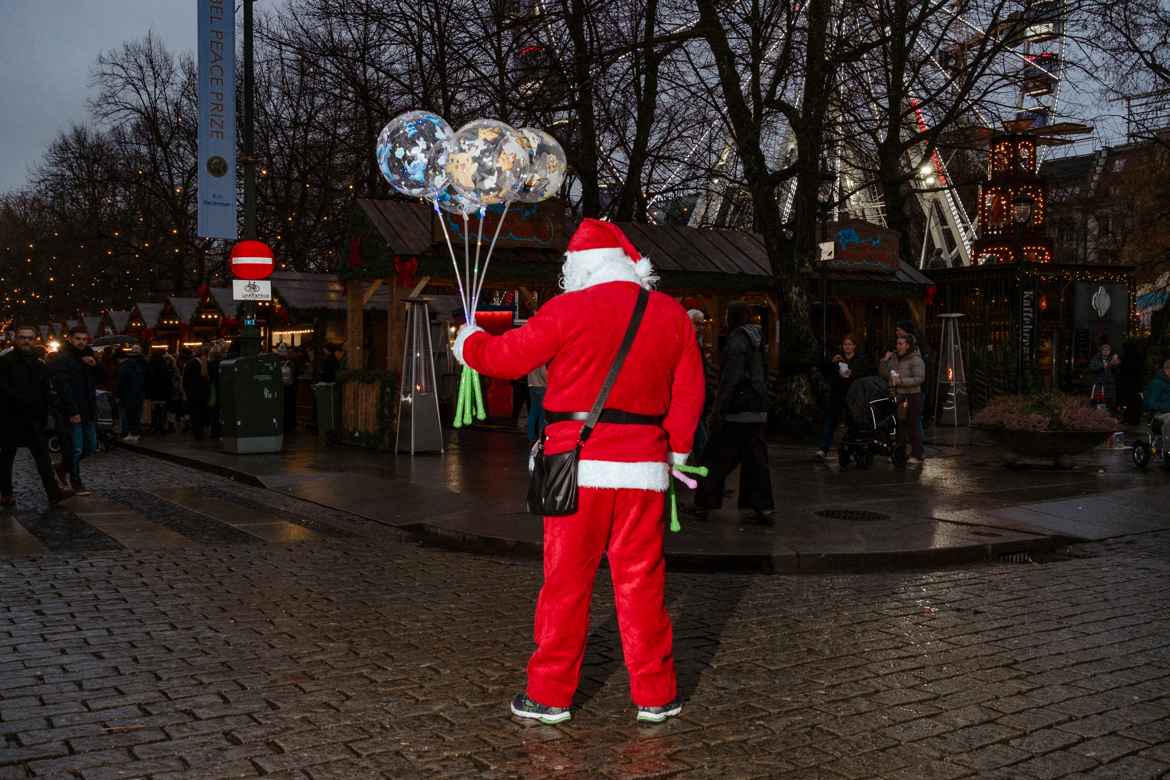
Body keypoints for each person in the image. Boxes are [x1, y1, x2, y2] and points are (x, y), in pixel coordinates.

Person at [453, 218, 704, 725]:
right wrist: (676, 454)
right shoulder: (671, 313)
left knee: (565, 584)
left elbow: (509, 359)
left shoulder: (567, 309)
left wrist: (469, 344)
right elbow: (691, 391)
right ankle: (656, 694)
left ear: (579, 269)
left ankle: (549, 695)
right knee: (642, 585)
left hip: (573, 465)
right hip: (643, 471)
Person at [693, 301, 775, 522]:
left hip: (737, 410)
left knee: (714, 458)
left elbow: (730, 380)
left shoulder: (736, 342)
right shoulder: (757, 341)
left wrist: (718, 410)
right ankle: (762, 506)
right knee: (756, 460)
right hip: (756, 408)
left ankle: (703, 502)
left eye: (727, 315)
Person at [0, 326, 70, 508]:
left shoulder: (39, 364)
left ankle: (54, 493)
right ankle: (6, 493)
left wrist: (50, 408)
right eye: (22, 338)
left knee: (43, 459)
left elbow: (46, 389)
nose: (26, 341)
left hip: (33, 420)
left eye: (30, 338)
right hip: (10, 419)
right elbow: (3, 389)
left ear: (34, 340)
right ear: (16, 339)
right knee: (6, 459)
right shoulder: (5, 362)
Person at [49, 326, 99, 495]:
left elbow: (103, 379)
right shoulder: (62, 359)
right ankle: (76, 482)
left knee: (91, 446)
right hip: (73, 411)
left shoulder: (89, 357)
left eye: (84, 339)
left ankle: (63, 467)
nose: (81, 342)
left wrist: (95, 365)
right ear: (69, 338)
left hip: (89, 409)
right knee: (76, 448)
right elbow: (63, 388)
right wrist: (72, 411)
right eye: (78, 339)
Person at [818, 333, 870, 458]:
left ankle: (853, 449)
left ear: (854, 346)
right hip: (837, 394)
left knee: (853, 422)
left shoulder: (859, 360)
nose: (847, 347)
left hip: (852, 396)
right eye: (845, 344)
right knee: (831, 420)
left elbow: (864, 374)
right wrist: (831, 363)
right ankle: (823, 449)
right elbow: (825, 372)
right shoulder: (838, 359)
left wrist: (852, 373)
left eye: (850, 345)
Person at [880, 332, 927, 465]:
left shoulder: (916, 359)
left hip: (912, 395)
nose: (898, 346)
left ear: (907, 345)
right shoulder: (894, 358)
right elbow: (884, 373)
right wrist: (885, 360)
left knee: (913, 424)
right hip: (898, 395)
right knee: (900, 424)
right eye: (897, 343)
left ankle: (917, 454)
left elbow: (920, 378)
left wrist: (900, 381)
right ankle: (900, 453)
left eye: (901, 344)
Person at [687, 309, 717, 458]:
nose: (701, 328)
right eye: (697, 324)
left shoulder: (695, 344)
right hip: (691, 399)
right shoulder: (687, 344)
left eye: (702, 324)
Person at [117, 345, 147, 442]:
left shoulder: (124, 367)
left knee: (129, 414)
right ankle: (135, 433)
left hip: (128, 394)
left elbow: (121, 383)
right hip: (138, 393)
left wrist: (119, 394)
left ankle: (131, 433)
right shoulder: (138, 366)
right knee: (136, 414)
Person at [182, 347, 211, 441]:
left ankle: (198, 431)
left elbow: (185, 379)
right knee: (198, 412)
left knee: (196, 413)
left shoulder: (191, 363)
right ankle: (198, 432)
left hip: (194, 393)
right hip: (198, 393)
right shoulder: (200, 363)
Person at [1089, 341, 1120, 408]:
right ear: (1101, 351)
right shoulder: (1096, 358)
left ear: (1110, 351)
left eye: (1108, 350)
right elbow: (1091, 368)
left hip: (1110, 386)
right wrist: (1103, 366)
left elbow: (1117, 372)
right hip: (1099, 385)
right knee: (1099, 404)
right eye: (1104, 349)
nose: (1106, 351)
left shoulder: (1112, 359)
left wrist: (1116, 364)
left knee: (1110, 404)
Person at [1143, 358, 1170, 429]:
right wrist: (1167, 407)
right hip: (1159, 415)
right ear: (1167, 370)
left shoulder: (1167, 383)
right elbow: (1149, 404)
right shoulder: (1157, 384)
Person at [277, 344, 299, 432]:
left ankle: (287, 425)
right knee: (289, 407)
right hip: (289, 388)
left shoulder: (284, 363)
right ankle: (289, 425)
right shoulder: (291, 363)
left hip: (284, 388)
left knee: (286, 407)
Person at [526, 364, 548, 444]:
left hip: (531, 385)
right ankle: (540, 437)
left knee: (533, 412)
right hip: (542, 387)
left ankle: (531, 436)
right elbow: (543, 373)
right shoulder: (542, 358)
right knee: (542, 414)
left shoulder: (532, 359)